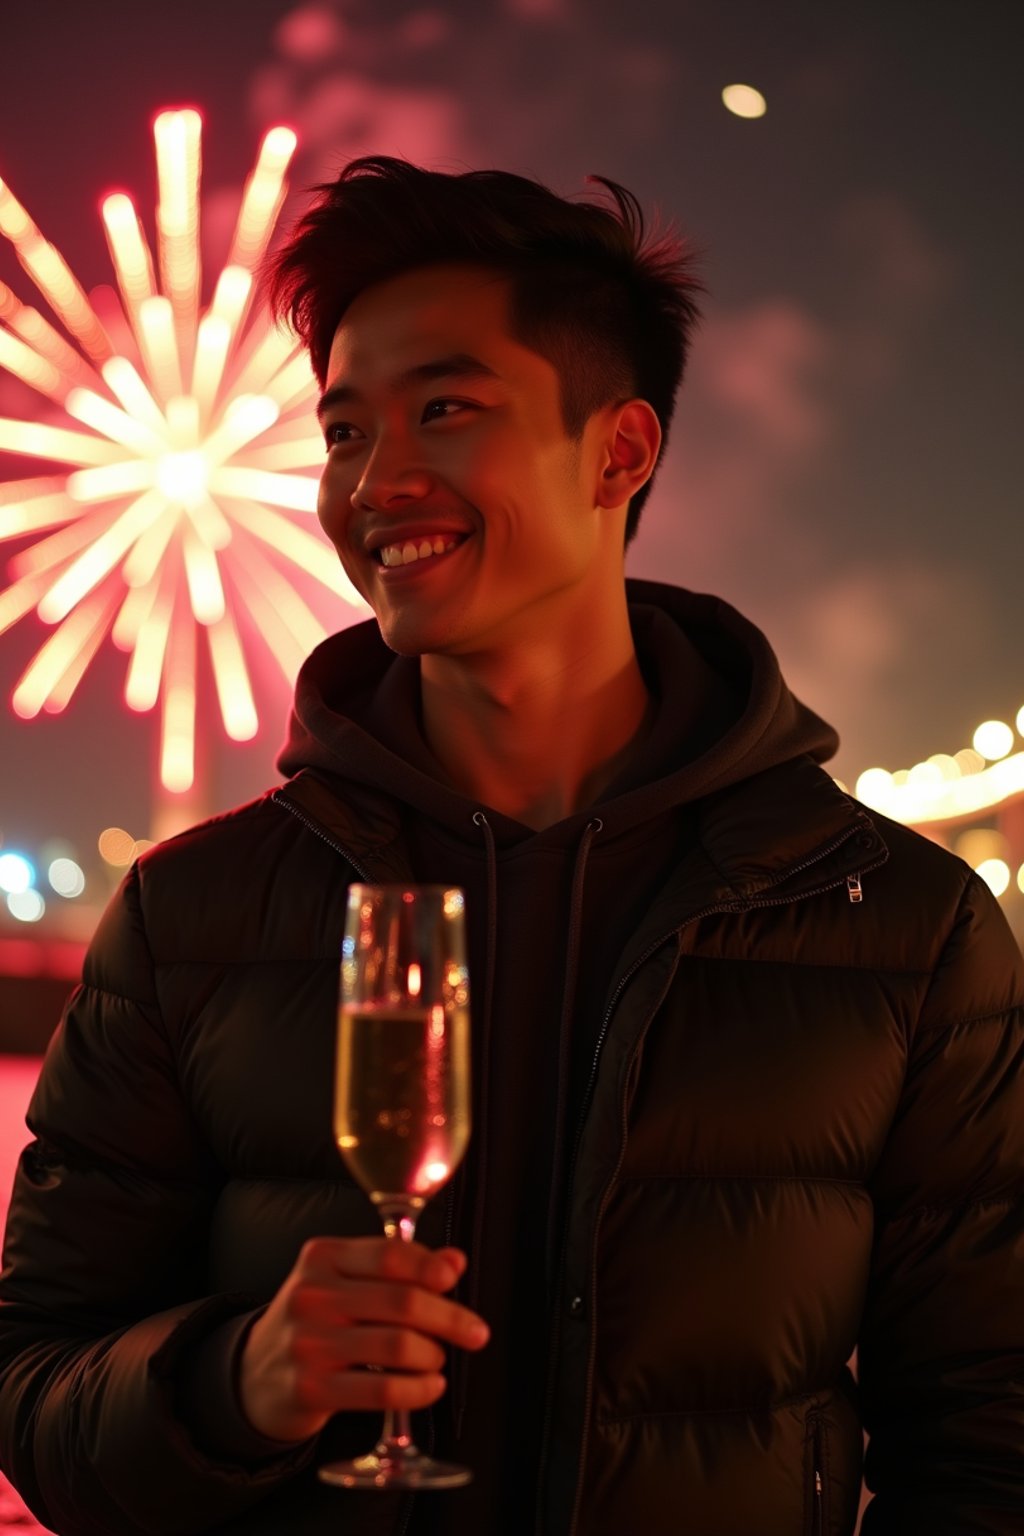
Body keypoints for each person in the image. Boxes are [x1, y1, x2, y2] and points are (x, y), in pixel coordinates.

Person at [1, 156, 1022, 1536]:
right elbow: (35, 1386)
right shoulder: (196, 914)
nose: (378, 481)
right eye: (347, 431)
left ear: (621, 452)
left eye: (447, 410)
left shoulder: (902, 927)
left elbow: (989, 1429)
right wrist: (231, 1383)